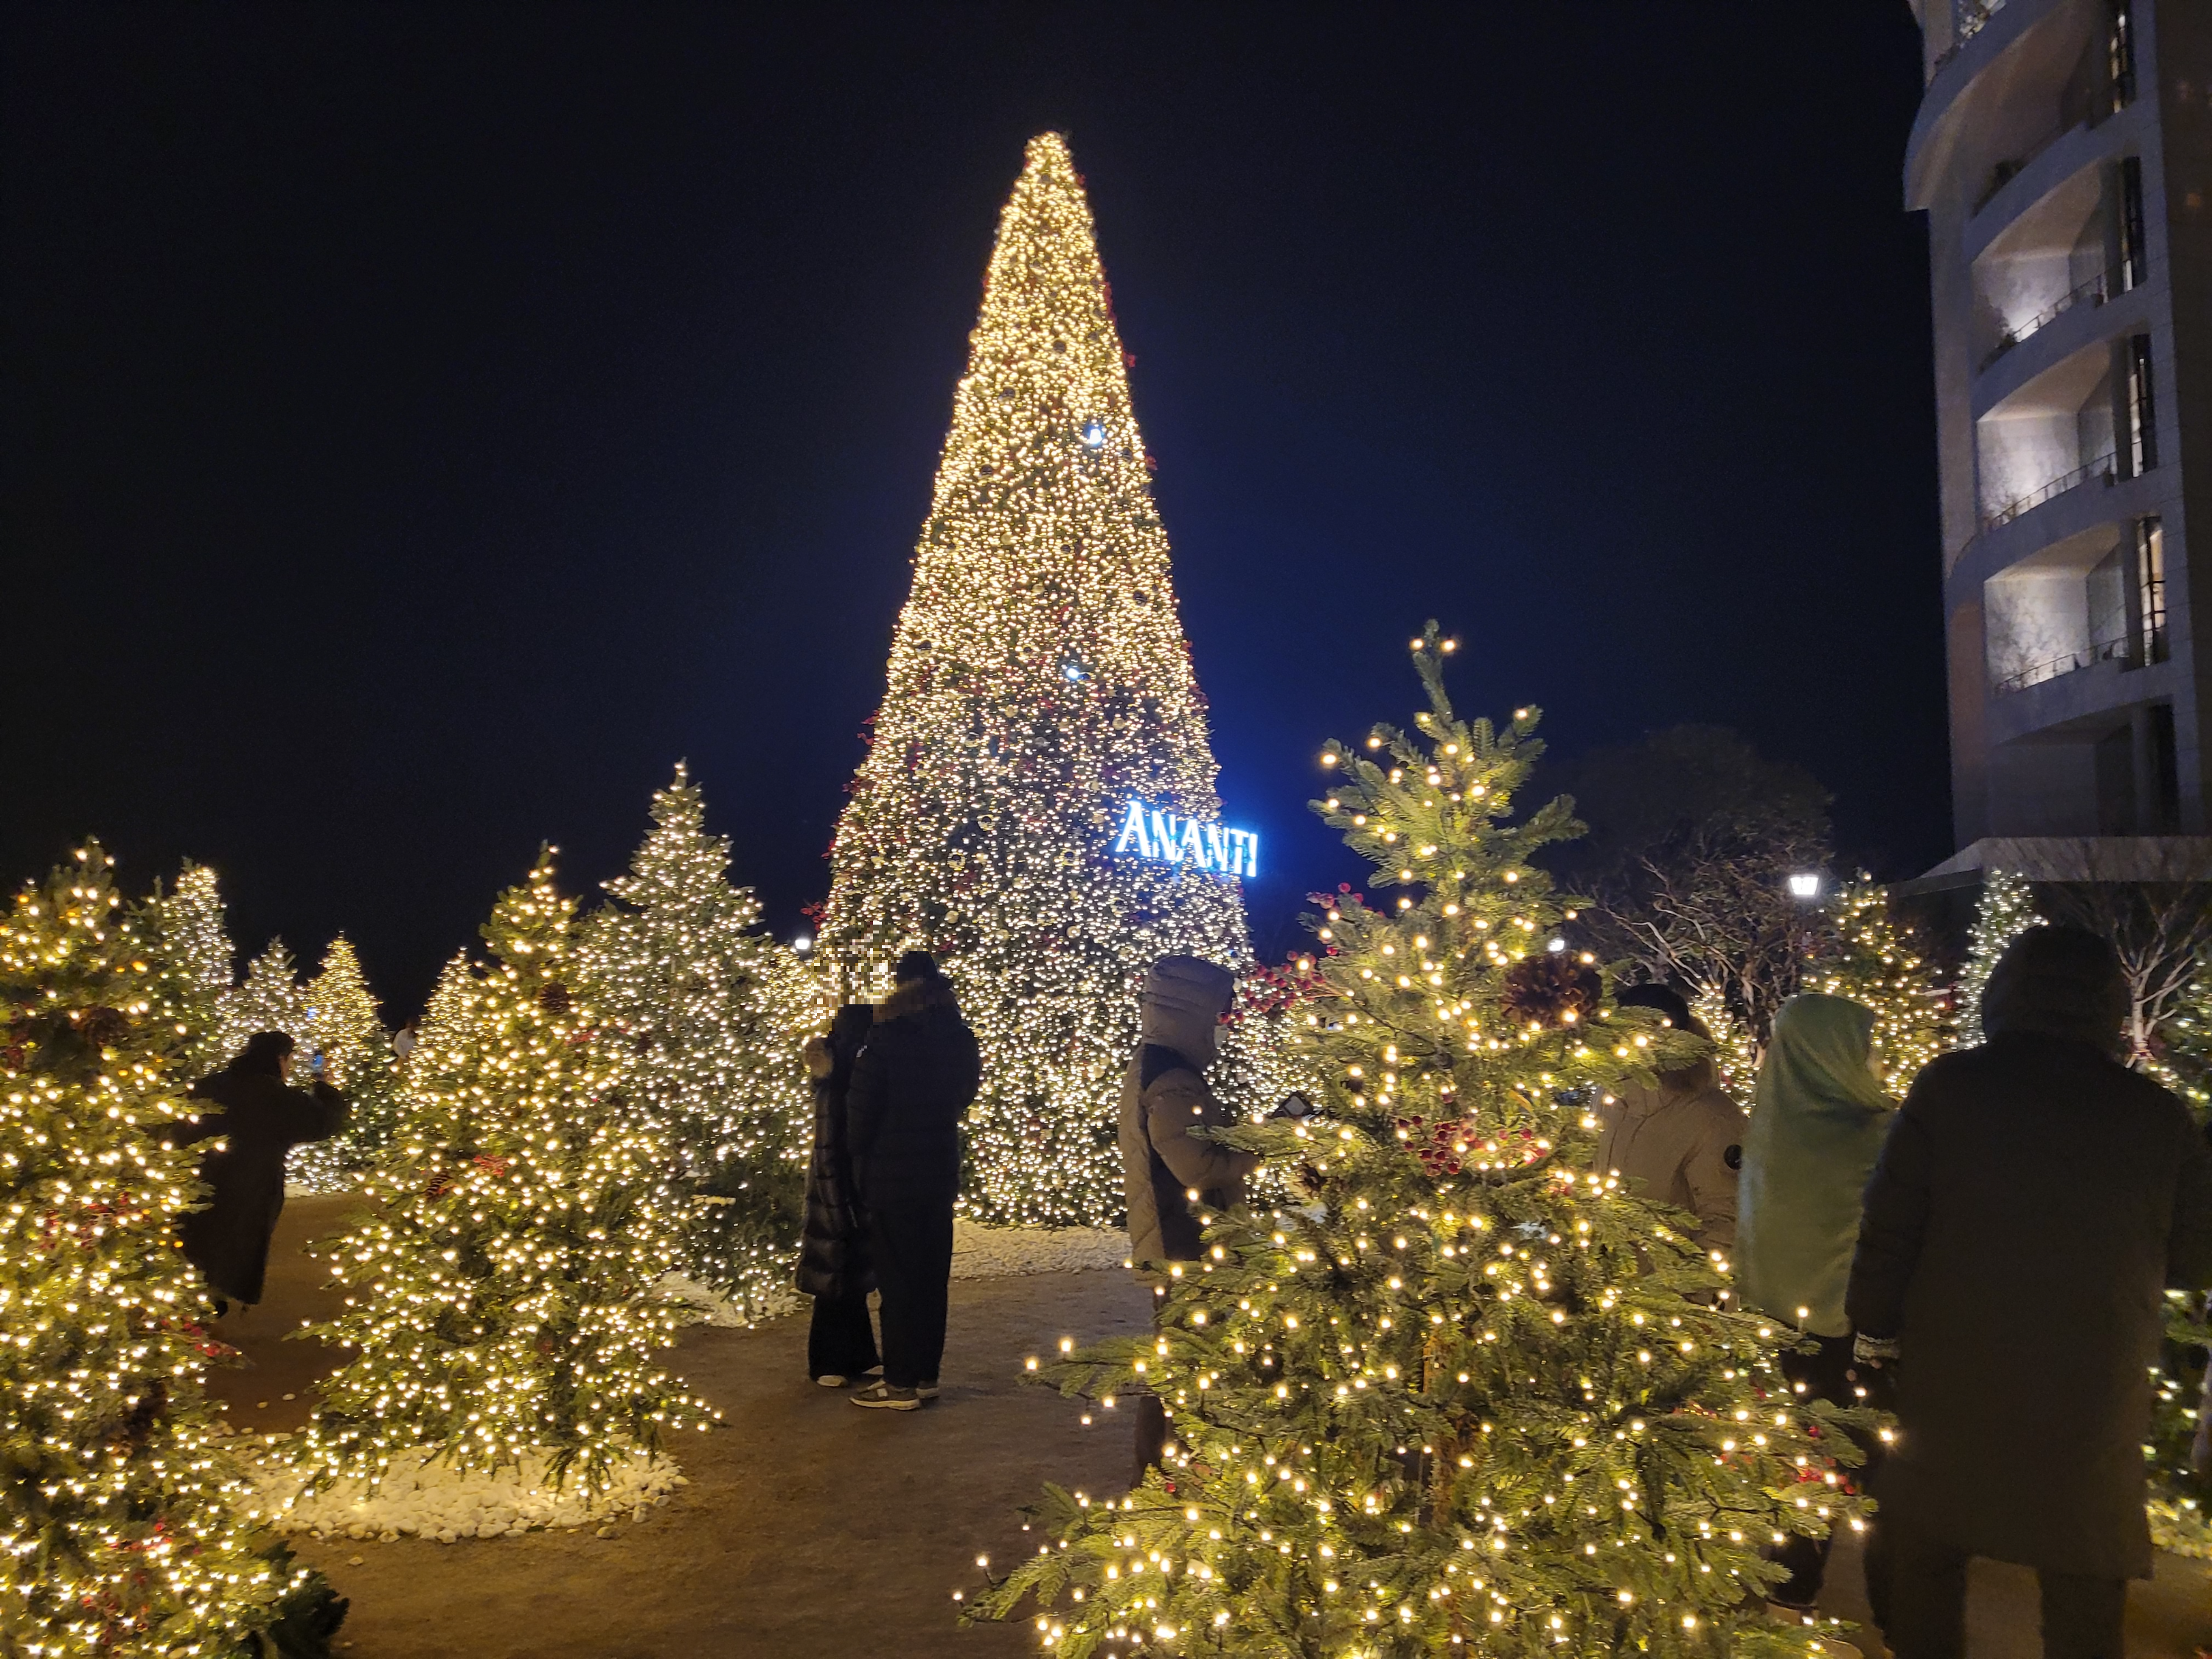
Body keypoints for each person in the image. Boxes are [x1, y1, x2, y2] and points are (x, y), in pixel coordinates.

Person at [1847, 925, 2212, 1659]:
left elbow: (1890, 1230)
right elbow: (2196, 1257)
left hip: (1955, 1364)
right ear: (2109, 1003)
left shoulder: (1950, 1088)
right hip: (2094, 1376)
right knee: (2081, 1566)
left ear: (2003, 993)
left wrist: (1874, 1335)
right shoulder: (2154, 1114)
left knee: (1929, 1552)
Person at [1734, 992, 1896, 1610]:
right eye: (1864, 1047)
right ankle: (1819, 1589)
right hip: (1845, 1332)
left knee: (1785, 1460)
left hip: (1765, 1320)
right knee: (1845, 1464)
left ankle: (1779, 1581)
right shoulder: (1880, 1133)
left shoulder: (1768, 1126)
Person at [1119, 953, 1262, 1483]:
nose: (1222, 1025)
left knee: (1177, 1362)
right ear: (1195, 1012)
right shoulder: (1173, 1076)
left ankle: (1157, 1476)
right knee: (1186, 1364)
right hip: (1187, 1244)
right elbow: (1194, 1164)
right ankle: (1164, 1478)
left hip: (1175, 1241)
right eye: (1218, 1014)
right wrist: (1258, 1149)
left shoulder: (1155, 1064)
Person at [844, 951, 980, 1411]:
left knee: (898, 1279)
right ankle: (925, 1374)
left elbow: (859, 1116)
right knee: (930, 1277)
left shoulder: (884, 1039)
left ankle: (899, 1380)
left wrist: (856, 1157)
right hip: (937, 1173)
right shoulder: (959, 1039)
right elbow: (963, 1095)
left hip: (891, 1177)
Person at [175, 1031, 349, 1310]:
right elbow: (322, 1123)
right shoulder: (276, 1097)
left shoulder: (206, 1087)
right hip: (249, 1191)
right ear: (280, 1059)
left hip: (195, 1185)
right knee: (226, 1258)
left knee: (193, 1250)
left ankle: (193, 1310)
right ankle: (206, 1313)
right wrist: (324, 1086)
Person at [1595, 983, 1743, 1259]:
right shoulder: (1611, 1094)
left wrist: (1690, 1295)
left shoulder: (1713, 1117)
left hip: (1667, 1294)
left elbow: (1726, 1220)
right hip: (1602, 1284)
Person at [798, 1003, 880, 1388]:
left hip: (852, 1177)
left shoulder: (851, 1071)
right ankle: (826, 1360)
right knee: (833, 1270)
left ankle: (858, 1355)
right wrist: (836, 1195)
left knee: (850, 1269)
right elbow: (828, 1143)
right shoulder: (836, 1080)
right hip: (836, 1180)